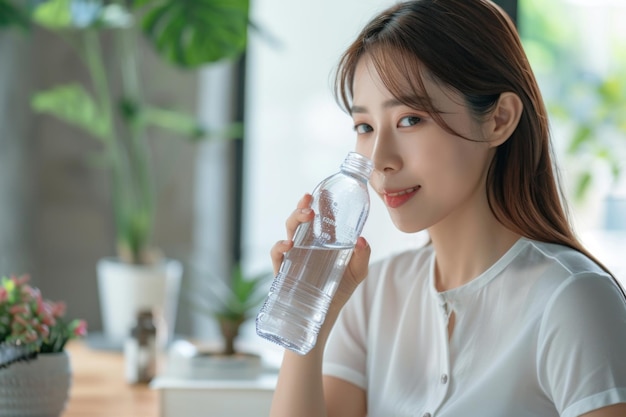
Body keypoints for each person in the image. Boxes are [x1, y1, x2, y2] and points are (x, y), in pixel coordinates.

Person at [268, 1, 626, 416]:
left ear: (499, 119)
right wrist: (308, 312)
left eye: (410, 120)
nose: (380, 159)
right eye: (365, 127)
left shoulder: (571, 301)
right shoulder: (371, 295)